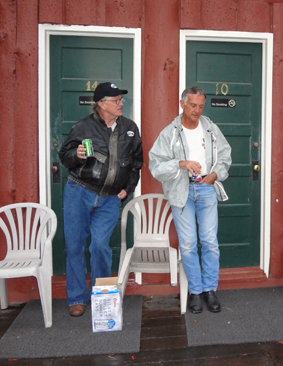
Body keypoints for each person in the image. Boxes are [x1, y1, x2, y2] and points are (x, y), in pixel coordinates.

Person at [59, 82, 143, 317]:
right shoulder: (83, 127)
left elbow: (136, 164)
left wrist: (129, 187)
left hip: (109, 199)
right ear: (101, 104)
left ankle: (102, 298)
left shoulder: (130, 128)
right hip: (80, 192)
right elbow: (64, 157)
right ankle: (76, 298)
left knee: (100, 247)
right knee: (75, 247)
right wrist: (75, 155)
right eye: (116, 100)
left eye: (121, 99)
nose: (121, 103)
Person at [148, 86, 232, 314]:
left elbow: (225, 156)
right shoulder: (170, 133)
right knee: (187, 245)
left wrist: (214, 175)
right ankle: (195, 291)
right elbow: (155, 166)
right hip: (181, 192)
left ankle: (210, 290)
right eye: (192, 105)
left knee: (210, 242)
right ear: (182, 103)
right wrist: (180, 163)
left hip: (206, 189)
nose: (197, 110)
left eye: (201, 106)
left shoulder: (211, 129)